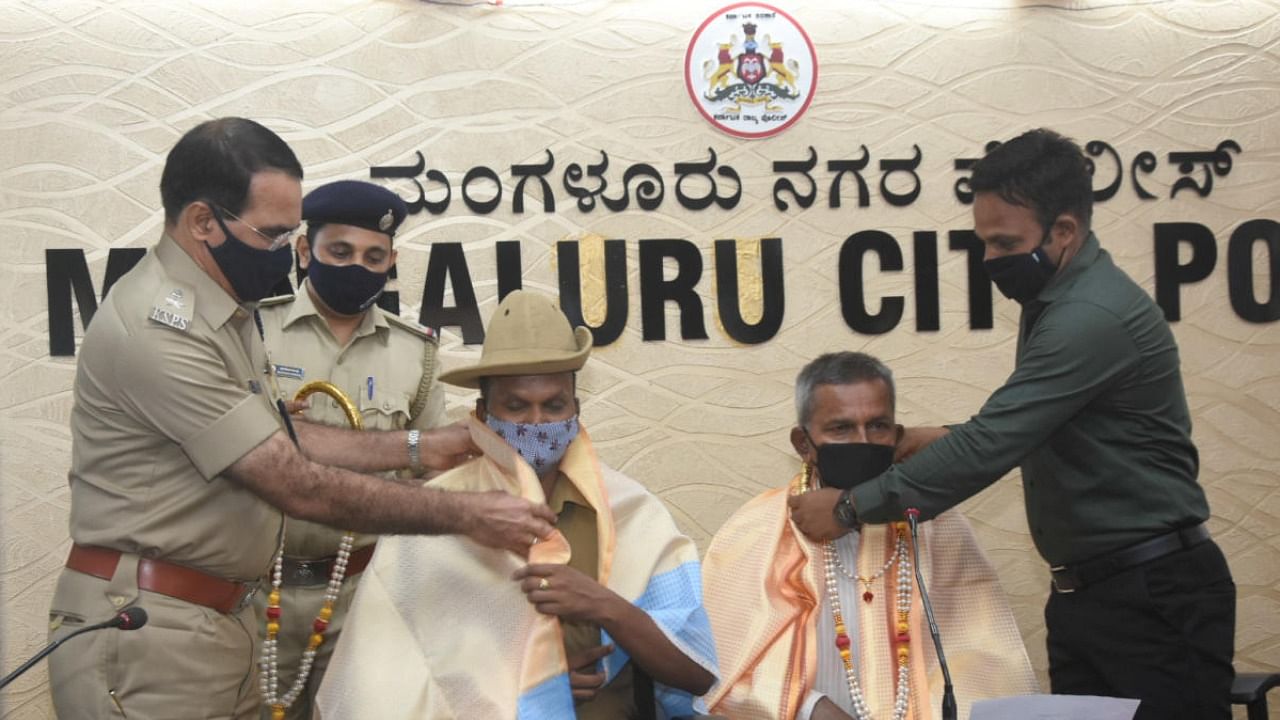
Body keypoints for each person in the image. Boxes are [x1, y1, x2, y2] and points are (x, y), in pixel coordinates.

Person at [46, 117, 555, 720]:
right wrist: (470, 515)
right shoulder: (162, 327)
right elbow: (291, 479)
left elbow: (283, 434)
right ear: (204, 222)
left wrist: (419, 447)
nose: (289, 253)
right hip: (154, 628)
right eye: (274, 234)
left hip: (213, 622)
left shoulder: (225, 315)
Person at [788, 129, 1235, 720]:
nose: (990, 260)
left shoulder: (1087, 317)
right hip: (1096, 593)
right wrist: (941, 439)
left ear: (1064, 231)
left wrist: (847, 509)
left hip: (1150, 594)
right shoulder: (1057, 298)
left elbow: (995, 442)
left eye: (1004, 243)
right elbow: (1040, 428)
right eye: (983, 242)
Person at [316, 290, 719, 720]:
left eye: (554, 405)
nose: (537, 422)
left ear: (577, 409)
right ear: (483, 414)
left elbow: (697, 673)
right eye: (515, 406)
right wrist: (536, 689)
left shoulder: (631, 512)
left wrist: (605, 606)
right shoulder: (437, 515)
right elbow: (387, 685)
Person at [703, 352, 1037, 720]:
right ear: (803, 443)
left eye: (877, 426)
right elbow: (725, 669)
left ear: (897, 435)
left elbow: (981, 661)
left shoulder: (932, 523)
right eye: (841, 428)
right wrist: (808, 708)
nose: (862, 441)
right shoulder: (759, 527)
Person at [252, 179, 447, 720]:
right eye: (340, 251)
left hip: (367, 597)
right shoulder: (249, 334)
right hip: (253, 597)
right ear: (302, 250)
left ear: (391, 263)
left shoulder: (417, 354)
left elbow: (433, 477)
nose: (357, 266)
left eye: (373, 256)